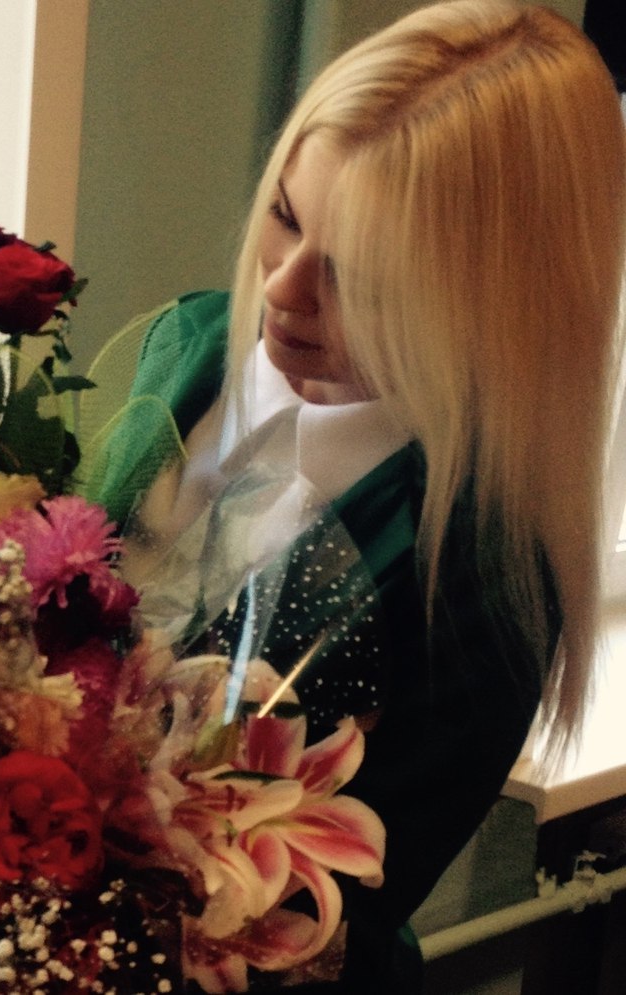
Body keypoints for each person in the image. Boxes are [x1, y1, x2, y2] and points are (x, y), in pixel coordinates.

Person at [95, 1, 626, 990]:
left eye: (363, 276)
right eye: (285, 216)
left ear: (498, 291)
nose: (284, 290)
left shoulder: (485, 570)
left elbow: (331, 910)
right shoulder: (186, 341)